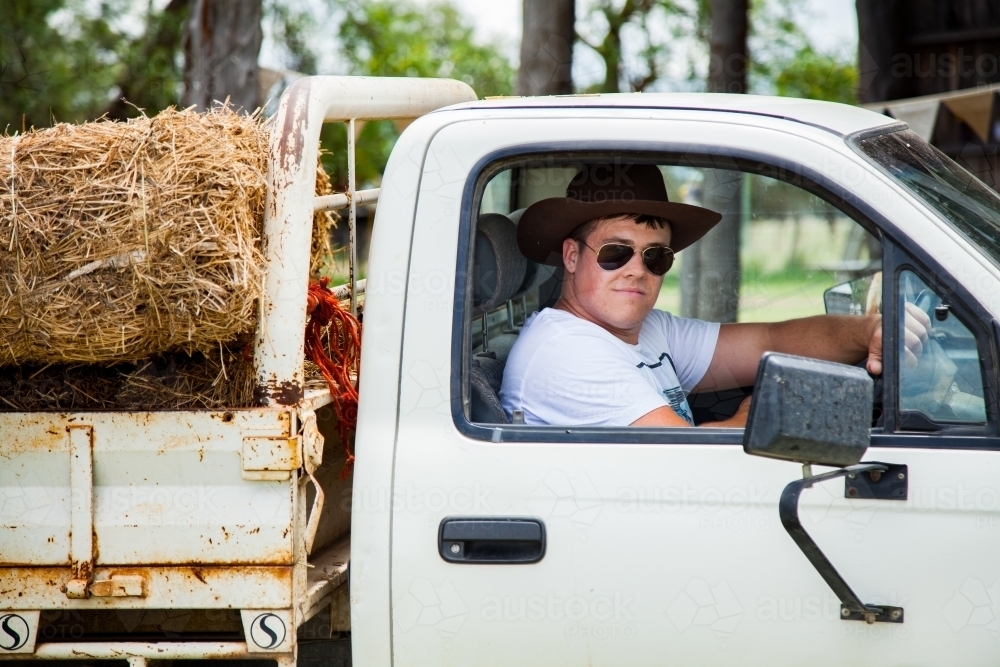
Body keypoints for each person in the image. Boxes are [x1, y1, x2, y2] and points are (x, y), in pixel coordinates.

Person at [499, 162, 929, 428]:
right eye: (616, 252)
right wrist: (757, 412)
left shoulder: (644, 330)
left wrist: (868, 331)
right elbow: (688, 459)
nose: (637, 269)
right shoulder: (568, 352)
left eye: (656, 256)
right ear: (572, 257)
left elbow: (768, 342)